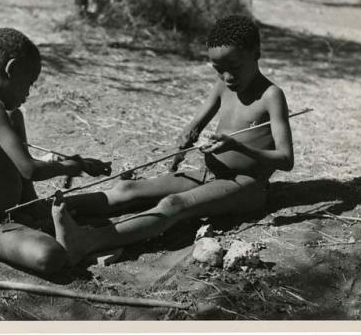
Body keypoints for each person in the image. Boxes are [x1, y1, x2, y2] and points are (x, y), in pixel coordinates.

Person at [53, 15, 294, 266]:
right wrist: (186, 138)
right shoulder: (223, 86)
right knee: (129, 189)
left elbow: (286, 160)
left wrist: (238, 147)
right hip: (207, 172)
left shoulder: (271, 96)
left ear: (256, 53)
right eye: (218, 69)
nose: (226, 77)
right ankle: (47, 211)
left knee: (174, 205)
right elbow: (195, 125)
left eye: (233, 66)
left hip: (246, 184)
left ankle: (87, 242)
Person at [0, 28, 111, 275]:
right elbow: (29, 168)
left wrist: (33, 205)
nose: (29, 92)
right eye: (29, 82)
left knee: (102, 202)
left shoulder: (8, 114)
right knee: (49, 255)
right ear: (11, 70)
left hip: (12, 212)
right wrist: (72, 166)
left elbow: (21, 173)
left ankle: (40, 214)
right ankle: (81, 239)